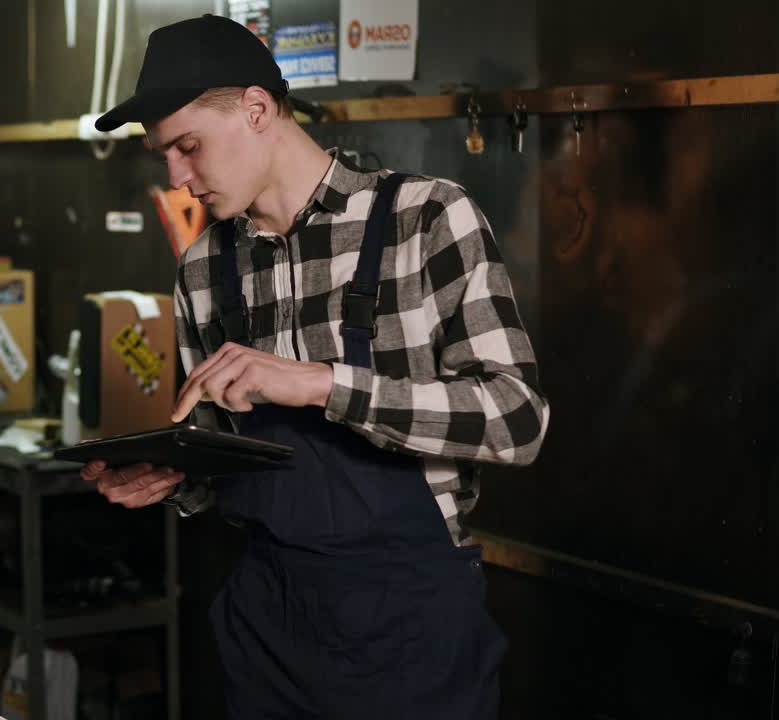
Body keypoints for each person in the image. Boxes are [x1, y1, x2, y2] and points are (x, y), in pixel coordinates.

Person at [80, 14, 550, 719]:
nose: (177, 177)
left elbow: (518, 422)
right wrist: (175, 480)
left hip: (410, 630)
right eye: (163, 155)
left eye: (187, 146)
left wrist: (322, 384)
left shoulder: (425, 219)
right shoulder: (205, 267)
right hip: (269, 625)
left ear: (258, 109)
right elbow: (228, 468)